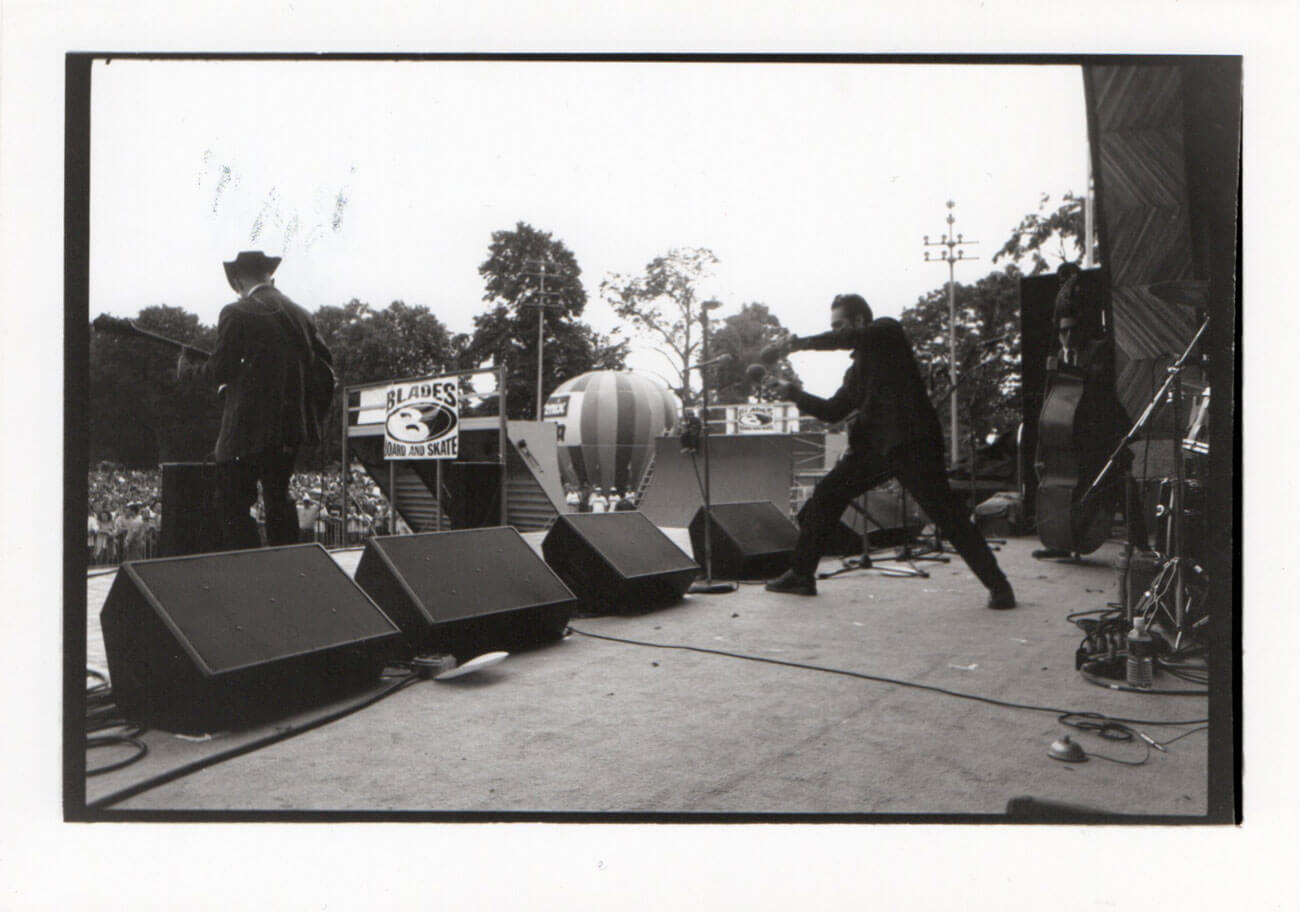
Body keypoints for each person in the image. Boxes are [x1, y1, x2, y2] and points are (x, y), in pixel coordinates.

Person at [764, 293, 1015, 609]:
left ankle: (999, 586)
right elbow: (832, 410)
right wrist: (794, 394)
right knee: (827, 494)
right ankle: (801, 575)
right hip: (875, 449)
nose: (837, 332)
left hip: (911, 444)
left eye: (840, 325)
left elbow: (849, 340)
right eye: (833, 327)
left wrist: (800, 343)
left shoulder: (887, 331)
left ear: (859, 321)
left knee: (948, 517)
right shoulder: (855, 373)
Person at [178, 251, 335, 550]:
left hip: (247, 432)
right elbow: (322, 372)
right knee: (278, 497)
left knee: (230, 503)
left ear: (237, 280)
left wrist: (187, 369)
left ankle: (249, 568)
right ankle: (286, 569)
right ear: (269, 276)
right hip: (290, 430)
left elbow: (219, 370)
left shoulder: (237, 311)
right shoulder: (302, 314)